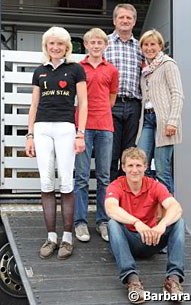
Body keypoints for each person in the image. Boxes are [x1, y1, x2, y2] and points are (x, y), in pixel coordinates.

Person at [25, 26, 88, 260]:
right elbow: (34, 105)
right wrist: (29, 134)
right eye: (51, 43)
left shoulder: (76, 69)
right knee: (46, 181)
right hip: (42, 129)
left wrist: (80, 133)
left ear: (67, 46)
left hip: (65, 129)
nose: (55, 47)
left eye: (60, 43)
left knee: (66, 182)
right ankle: (51, 237)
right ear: (46, 46)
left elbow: (83, 103)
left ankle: (68, 238)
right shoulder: (39, 71)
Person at [105, 147, 185, 304]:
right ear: (123, 167)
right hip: (128, 242)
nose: (134, 170)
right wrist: (136, 222)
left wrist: (162, 224)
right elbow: (111, 208)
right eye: (130, 166)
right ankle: (132, 281)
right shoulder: (116, 185)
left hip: (152, 239)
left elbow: (176, 207)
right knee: (112, 224)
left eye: (138, 166)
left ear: (145, 167)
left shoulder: (154, 185)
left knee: (179, 222)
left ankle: (173, 280)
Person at [74, 28, 118, 242]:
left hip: (105, 126)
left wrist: (101, 112)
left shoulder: (111, 69)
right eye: (92, 42)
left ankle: (103, 221)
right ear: (86, 45)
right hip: (83, 128)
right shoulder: (77, 68)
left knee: (104, 177)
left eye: (100, 42)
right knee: (81, 177)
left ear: (105, 45)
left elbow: (112, 97)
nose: (96, 45)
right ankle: (80, 222)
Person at [136, 29, 184, 195]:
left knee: (162, 169)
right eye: (146, 45)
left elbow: (177, 94)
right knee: (141, 163)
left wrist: (173, 121)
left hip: (164, 121)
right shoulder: (145, 69)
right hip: (147, 120)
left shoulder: (168, 64)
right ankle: (149, 206)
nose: (149, 48)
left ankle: (168, 213)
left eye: (153, 44)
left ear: (160, 46)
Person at [104, 3, 143, 181]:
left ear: (134, 22)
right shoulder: (104, 43)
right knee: (110, 153)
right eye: (121, 17)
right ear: (114, 21)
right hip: (111, 104)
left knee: (129, 154)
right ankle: (110, 200)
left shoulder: (140, 47)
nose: (125, 21)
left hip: (134, 105)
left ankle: (126, 198)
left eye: (129, 18)